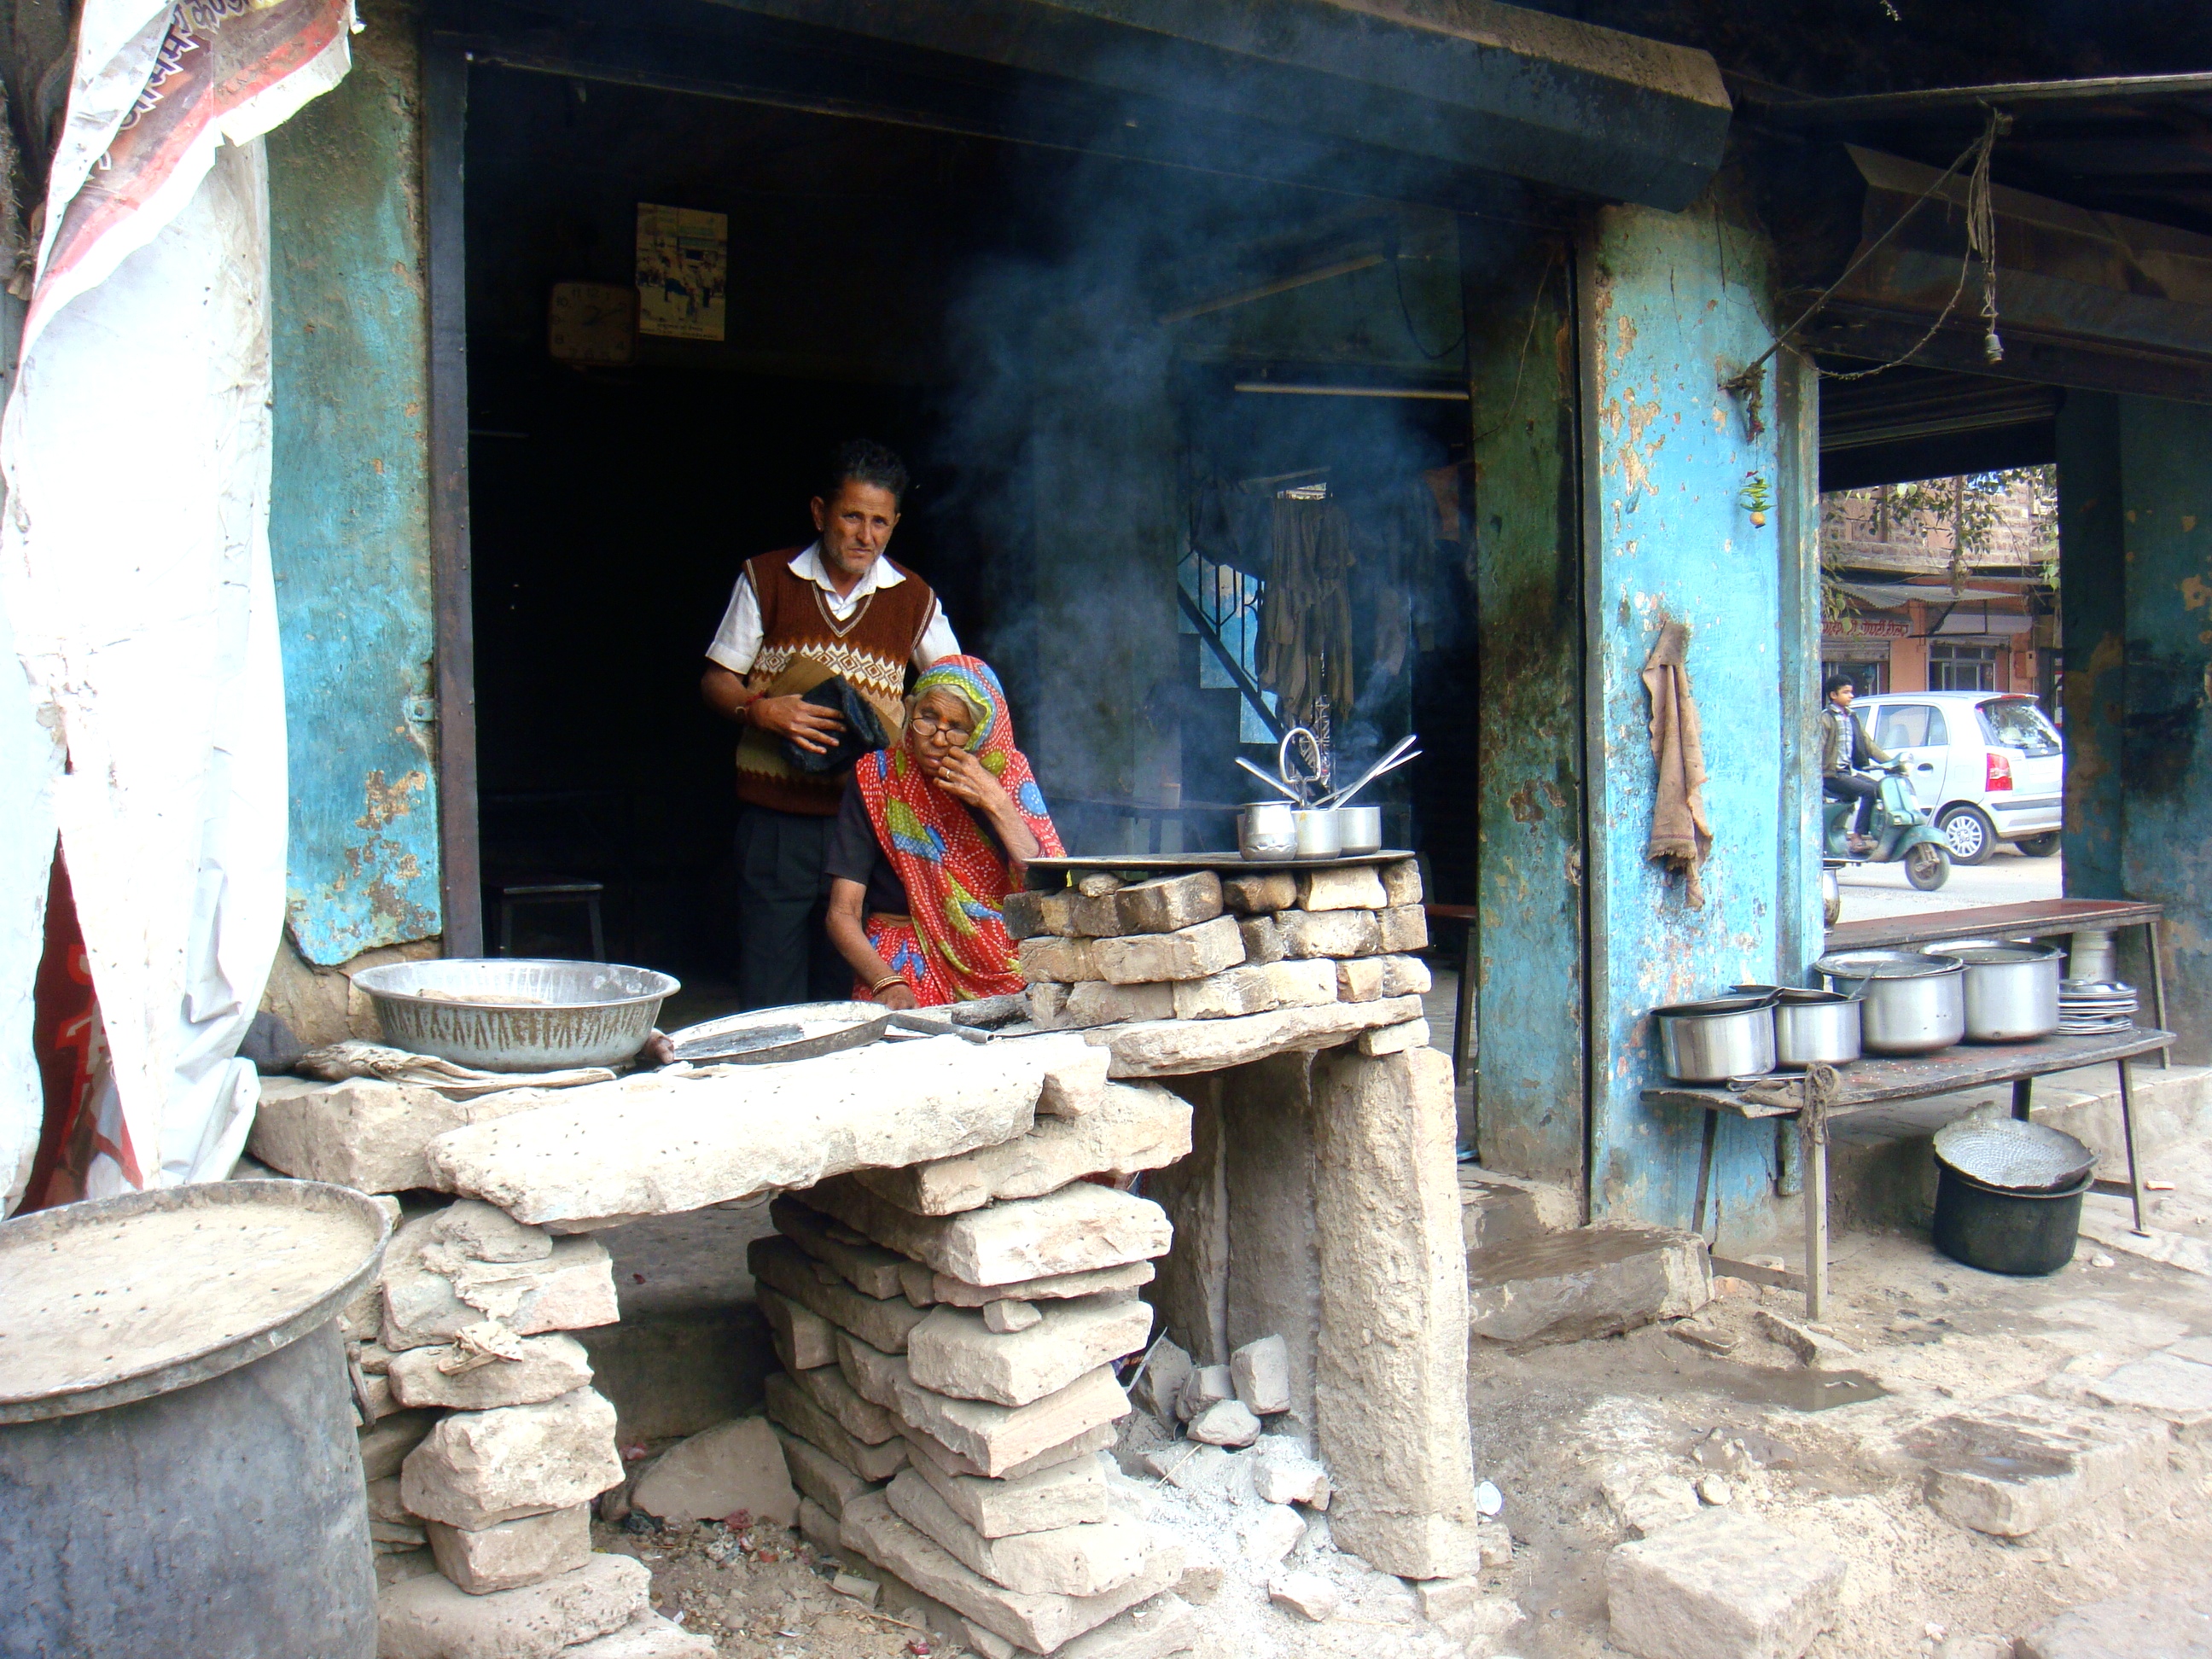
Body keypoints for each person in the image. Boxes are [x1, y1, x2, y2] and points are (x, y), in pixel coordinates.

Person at [701, 440, 960, 1009]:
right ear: (821, 513)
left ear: (894, 524)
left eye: (879, 522)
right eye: (852, 517)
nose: (865, 535)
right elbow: (717, 680)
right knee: (769, 986)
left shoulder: (913, 599)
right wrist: (761, 709)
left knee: (846, 990)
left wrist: (922, 728)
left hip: (867, 826)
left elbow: (958, 688)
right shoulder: (767, 578)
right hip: (776, 824)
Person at [824, 656, 1062, 1008]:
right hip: (899, 959)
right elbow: (841, 914)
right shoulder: (879, 778)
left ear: (981, 732)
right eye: (928, 717)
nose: (937, 738)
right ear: (910, 711)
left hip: (997, 957)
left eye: (957, 728)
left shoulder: (1009, 777)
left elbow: (1051, 886)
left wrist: (996, 802)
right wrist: (887, 982)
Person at [1819, 673, 1897, 853]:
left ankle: (1875, 833)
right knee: (1869, 791)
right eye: (1846, 692)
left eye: (1851, 692)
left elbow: (1868, 745)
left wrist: (1891, 763)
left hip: (1847, 772)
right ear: (1833, 695)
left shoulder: (1851, 717)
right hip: (1832, 775)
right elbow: (1817, 748)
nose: (1851, 696)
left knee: (1880, 788)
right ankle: (1857, 837)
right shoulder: (1826, 718)